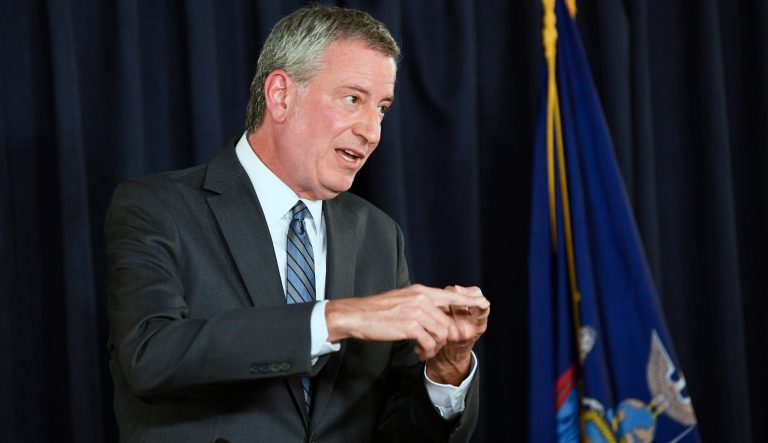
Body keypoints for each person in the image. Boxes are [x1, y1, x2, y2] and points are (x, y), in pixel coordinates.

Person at [105, 5, 490, 442]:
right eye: (353, 99)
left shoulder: (379, 237)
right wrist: (333, 319)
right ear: (281, 95)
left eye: (382, 107)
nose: (373, 130)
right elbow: (150, 358)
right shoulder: (158, 208)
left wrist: (446, 371)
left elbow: (398, 431)